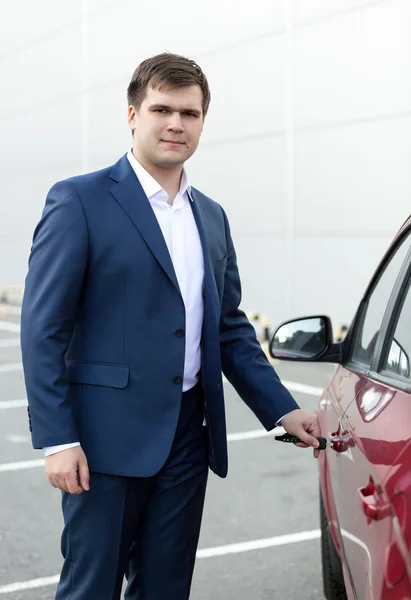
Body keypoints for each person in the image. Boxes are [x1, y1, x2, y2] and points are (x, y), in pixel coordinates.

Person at [20, 52, 321, 600]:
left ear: (203, 121)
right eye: (162, 109)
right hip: (103, 440)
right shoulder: (80, 200)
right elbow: (43, 328)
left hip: (187, 435)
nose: (176, 124)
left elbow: (227, 327)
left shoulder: (211, 215)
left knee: (165, 588)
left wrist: (282, 408)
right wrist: (57, 439)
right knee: (91, 588)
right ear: (133, 114)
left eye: (190, 113)